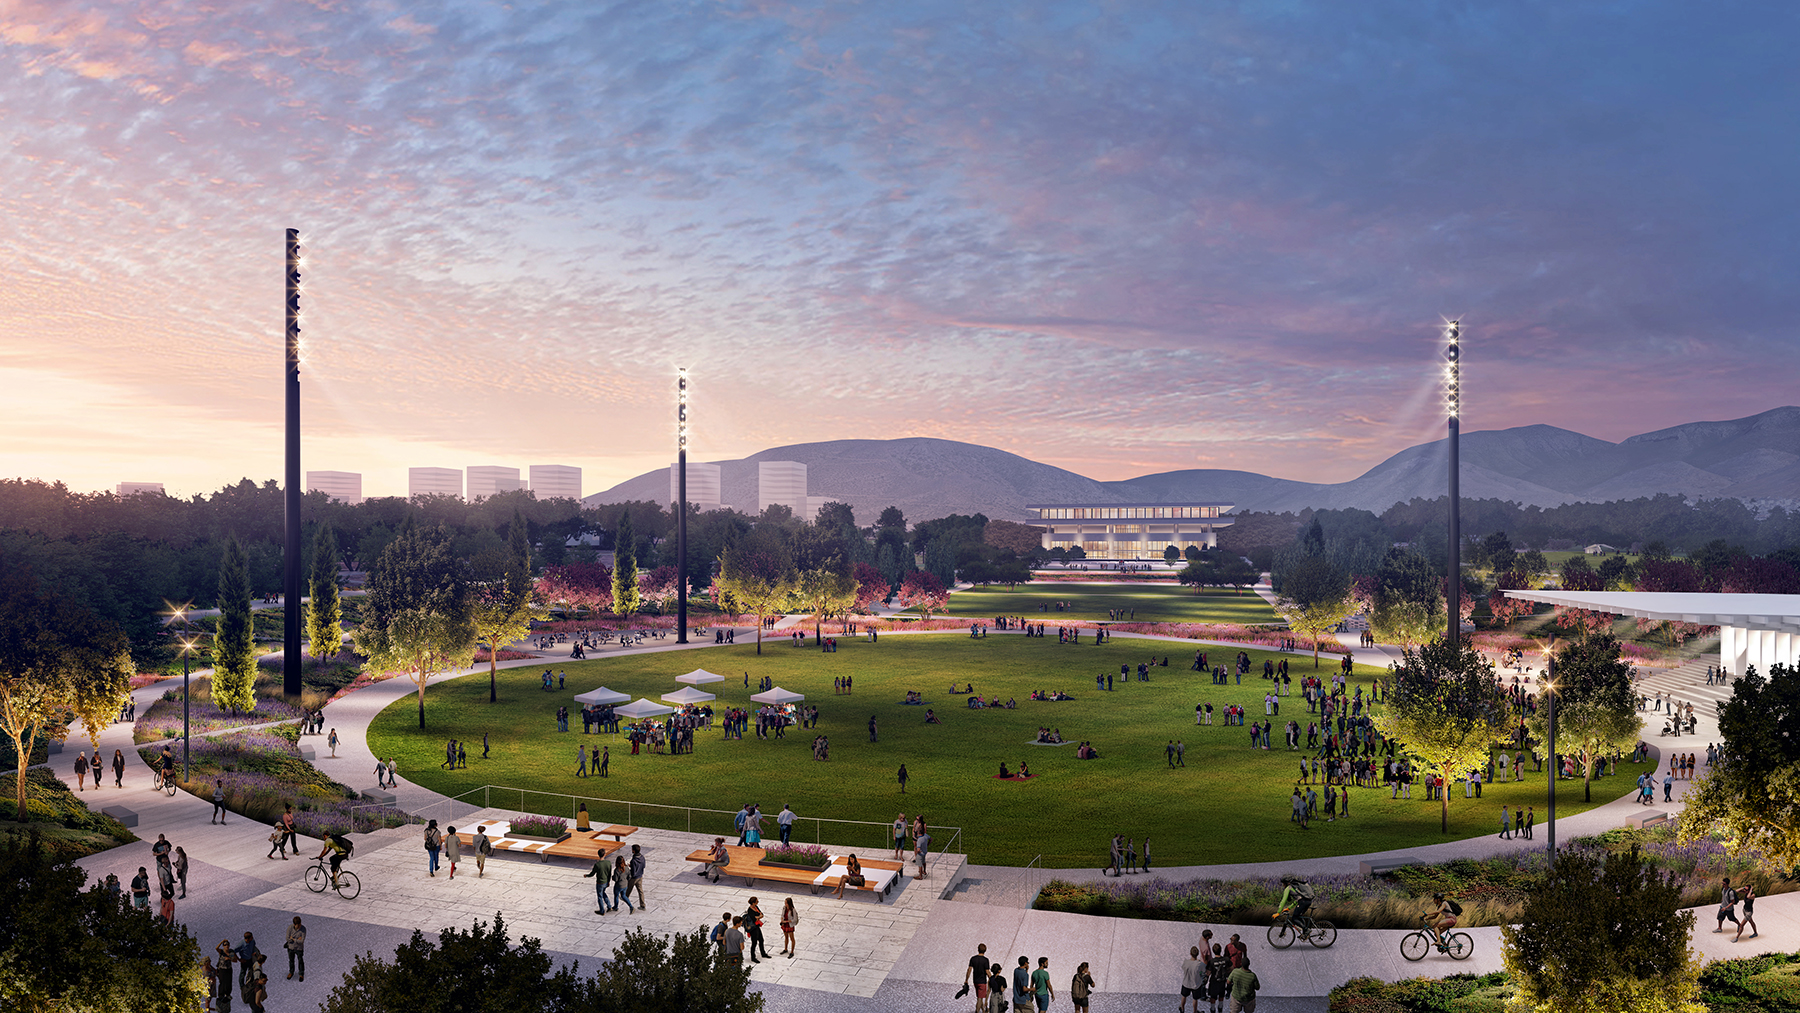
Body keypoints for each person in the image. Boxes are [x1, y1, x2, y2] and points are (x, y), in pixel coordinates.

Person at [586, 849, 615, 914]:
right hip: (606, 882)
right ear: (605, 854)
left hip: (599, 883)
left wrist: (586, 875)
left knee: (600, 896)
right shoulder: (608, 863)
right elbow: (609, 873)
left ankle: (602, 911)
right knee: (603, 893)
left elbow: (592, 874)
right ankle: (609, 906)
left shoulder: (597, 865)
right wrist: (608, 881)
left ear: (598, 855)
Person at [744, 896, 773, 962]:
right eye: (757, 901)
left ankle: (763, 953)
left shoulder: (756, 907)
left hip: (757, 926)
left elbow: (761, 914)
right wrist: (759, 917)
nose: (758, 902)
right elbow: (754, 918)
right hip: (753, 928)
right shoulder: (750, 910)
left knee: (761, 940)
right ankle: (753, 957)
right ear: (753, 903)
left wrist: (758, 917)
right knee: (754, 943)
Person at [965, 943, 991, 1012]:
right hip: (982, 982)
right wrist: (992, 979)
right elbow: (987, 971)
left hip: (975, 981)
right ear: (985, 950)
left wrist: (966, 980)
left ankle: (983, 1010)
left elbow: (969, 970)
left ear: (978, 949)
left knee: (980, 997)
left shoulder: (973, 959)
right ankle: (977, 1011)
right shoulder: (986, 960)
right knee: (980, 998)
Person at [1180, 946, 1206, 1013]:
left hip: (1186, 983)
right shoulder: (1200, 964)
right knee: (1195, 999)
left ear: (1190, 953)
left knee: (1184, 996)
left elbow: (1183, 968)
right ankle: (1194, 1011)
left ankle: (1182, 1008)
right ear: (1197, 954)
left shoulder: (1186, 962)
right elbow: (1204, 971)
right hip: (1196, 984)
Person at [284, 916, 306, 981]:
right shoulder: (290, 928)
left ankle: (301, 974)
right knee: (291, 961)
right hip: (291, 947)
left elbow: (301, 941)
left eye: (300, 925)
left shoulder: (303, 929)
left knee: (300, 961)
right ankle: (291, 972)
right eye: (297, 926)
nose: (299, 927)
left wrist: (293, 938)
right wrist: (296, 939)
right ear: (294, 924)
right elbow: (287, 938)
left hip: (299, 948)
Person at [628, 844, 647, 909]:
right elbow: (643, 866)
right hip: (640, 876)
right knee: (640, 891)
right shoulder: (642, 857)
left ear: (633, 850)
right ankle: (642, 905)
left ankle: (625, 898)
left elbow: (633, 872)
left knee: (628, 889)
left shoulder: (633, 861)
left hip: (634, 878)